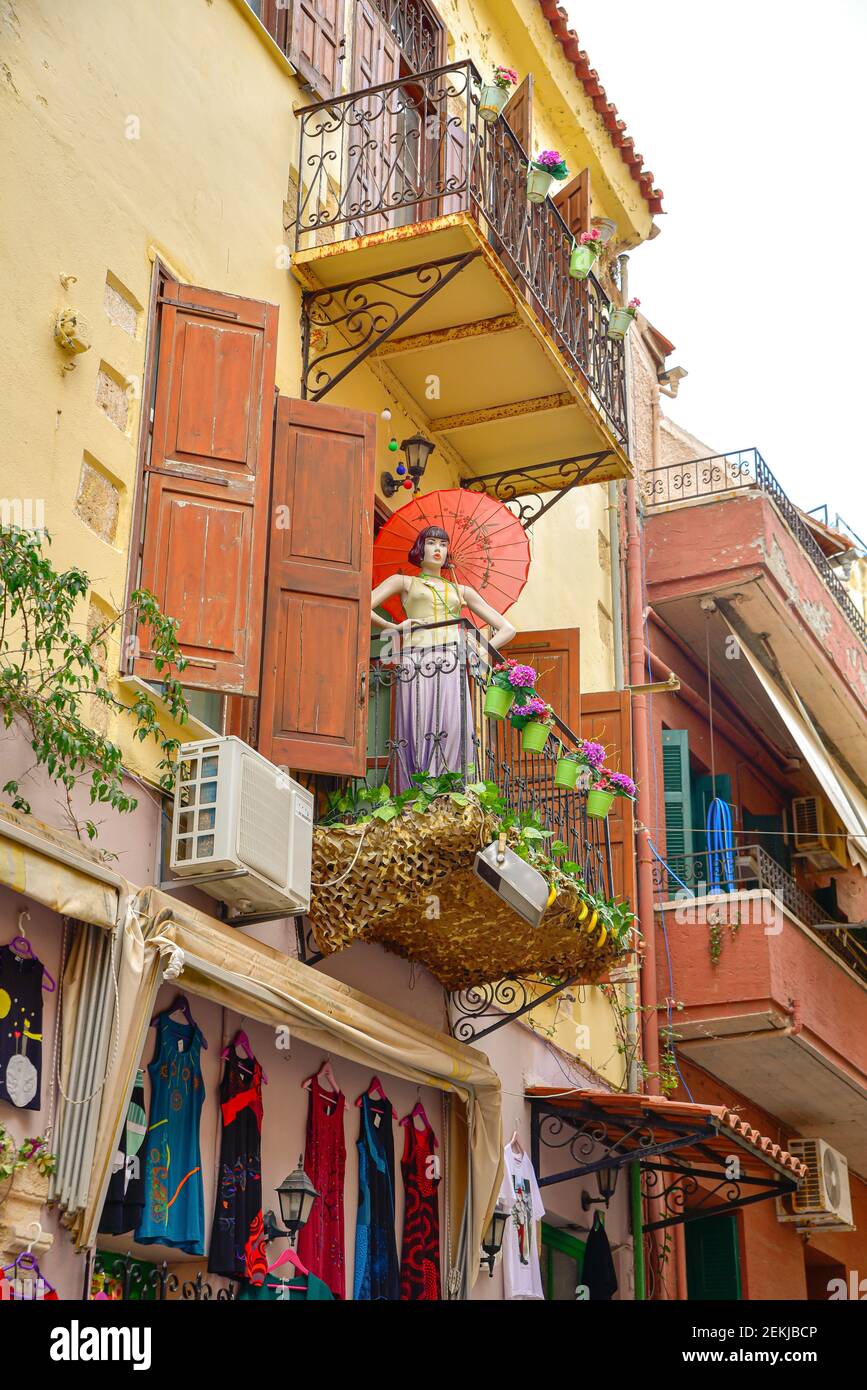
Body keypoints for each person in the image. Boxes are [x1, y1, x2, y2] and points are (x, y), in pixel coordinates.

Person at [370, 526, 516, 792]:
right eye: (431, 542)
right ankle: (417, 789)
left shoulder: (462, 591)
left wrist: (481, 650)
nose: (438, 549)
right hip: (415, 663)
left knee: (450, 724)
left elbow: (508, 629)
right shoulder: (402, 582)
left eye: (443, 544)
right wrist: (395, 627)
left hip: (451, 663)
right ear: (420, 548)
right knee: (417, 723)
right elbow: (362, 603)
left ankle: (450, 789)